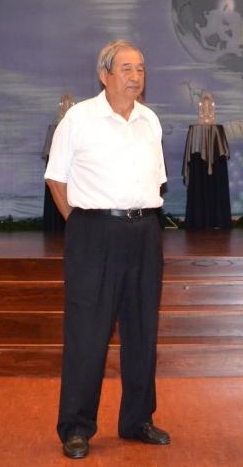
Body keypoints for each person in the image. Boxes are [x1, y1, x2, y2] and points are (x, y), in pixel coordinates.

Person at [44, 40, 170, 460]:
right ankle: (76, 427)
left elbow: (157, 181)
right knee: (87, 332)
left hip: (145, 231)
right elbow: (56, 179)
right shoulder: (79, 118)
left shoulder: (150, 120)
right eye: (126, 69)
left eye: (141, 69)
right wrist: (84, 225)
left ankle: (138, 420)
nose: (136, 76)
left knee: (142, 331)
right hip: (95, 232)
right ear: (104, 75)